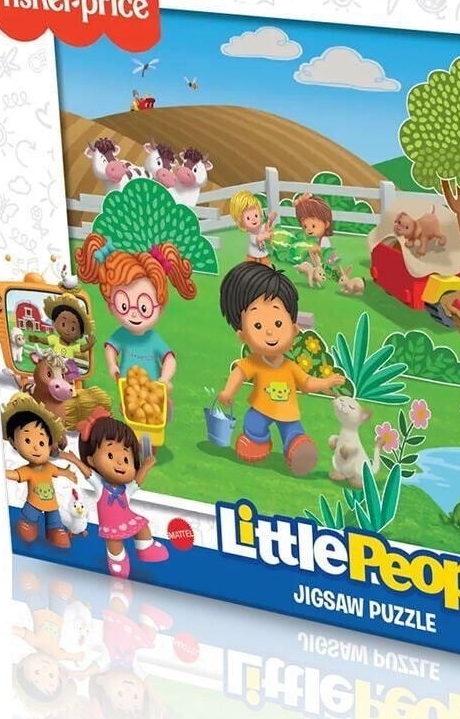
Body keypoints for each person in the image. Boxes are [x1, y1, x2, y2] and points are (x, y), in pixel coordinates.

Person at [216, 262, 346, 475]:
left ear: (293, 330)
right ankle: (256, 442)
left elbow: (306, 383)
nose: (270, 333)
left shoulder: (289, 367)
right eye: (258, 326)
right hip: (260, 409)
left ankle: (298, 450)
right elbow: (239, 373)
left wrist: (326, 382)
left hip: (288, 413)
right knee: (253, 425)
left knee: (294, 434)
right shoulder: (255, 363)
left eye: (278, 324)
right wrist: (228, 392)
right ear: (243, 335)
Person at [75, 233, 196, 415]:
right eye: (123, 305)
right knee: (130, 415)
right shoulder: (122, 335)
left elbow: (169, 359)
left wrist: (165, 378)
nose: (134, 313)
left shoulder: (152, 338)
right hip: (128, 390)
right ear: (110, 306)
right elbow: (111, 349)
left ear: (160, 308)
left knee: (155, 416)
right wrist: (112, 365)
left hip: (153, 389)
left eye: (144, 307)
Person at [63, 407, 166, 579]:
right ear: (91, 459)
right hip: (111, 525)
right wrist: (75, 460)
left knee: (142, 527)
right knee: (114, 542)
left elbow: (137, 481)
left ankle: (145, 548)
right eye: (110, 456)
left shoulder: (125, 489)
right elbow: (88, 474)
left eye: (126, 459)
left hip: (128, 518)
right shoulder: (101, 485)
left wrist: (145, 467)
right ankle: (117, 559)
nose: (120, 463)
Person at [2, 393, 80, 548]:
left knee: (55, 520)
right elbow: (16, 474)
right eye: (28, 440)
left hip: (52, 504)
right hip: (34, 503)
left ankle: (55, 530)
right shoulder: (29, 470)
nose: (36, 447)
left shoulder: (48, 467)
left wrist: (67, 473)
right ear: (13, 442)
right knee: (29, 519)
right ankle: (28, 523)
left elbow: (57, 471)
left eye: (42, 442)